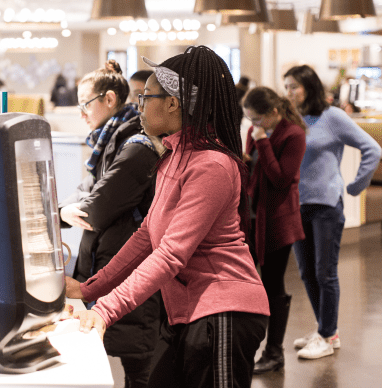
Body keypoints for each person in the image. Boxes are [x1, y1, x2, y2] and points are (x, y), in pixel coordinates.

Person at [66, 46, 269, 388]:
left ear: (174, 103)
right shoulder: (175, 155)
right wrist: (91, 288)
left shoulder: (212, 165)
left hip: (222, 312)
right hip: (188, 313)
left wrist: (105, 309)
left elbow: (171, 253)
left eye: (145, 97)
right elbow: (147, 236)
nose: (139, 107)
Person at [59, 59, 161, 388]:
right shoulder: (109, 143)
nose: (81, 113)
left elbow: (95, 209)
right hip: (108, 265)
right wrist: (65, 210)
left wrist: (68, 210)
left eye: (85, 104)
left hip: (127, 269)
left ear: (109, 100)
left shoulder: (136, 148)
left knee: (137, 370)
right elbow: (85, 193)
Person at [283, 65, 381, 359]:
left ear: (308, 88)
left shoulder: (332, 116)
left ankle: (327, 335)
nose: (288, 93)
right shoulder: (293, 119)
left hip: (326, 206)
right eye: (285, 87)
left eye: (293, 87)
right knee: (306, 272)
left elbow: (372, 149)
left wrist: (355, 186)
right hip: (297, 206)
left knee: (325, 272)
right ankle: (327, 330)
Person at [242, 87, 307, 373]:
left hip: (278, 222)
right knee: (244, 282)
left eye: (257, 119)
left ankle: (274, 352)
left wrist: (262, 143)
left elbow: (281, 178)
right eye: (249, 120)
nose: (253, 125)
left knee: (273, 286)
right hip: (252, 220)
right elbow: (253, 172)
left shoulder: (293, 135)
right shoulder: (255, 132)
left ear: (274, 113)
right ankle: (243, 346)